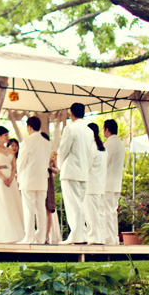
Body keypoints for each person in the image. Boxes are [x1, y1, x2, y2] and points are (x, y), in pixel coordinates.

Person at [57, 103, 92, 245]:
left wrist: (59, 166)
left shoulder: (70, 128)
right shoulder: (89, 131)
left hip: (70, 172)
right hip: (83, 172)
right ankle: (81, 234)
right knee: (79, 204)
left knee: (73, 205)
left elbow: (63, 150)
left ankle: (76, 236)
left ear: (71, 113)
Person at [0, 126, 24, 243]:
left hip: (10, 179)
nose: (7, 137)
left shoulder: (10, 150)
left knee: (12, 203)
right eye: (5, 135)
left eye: (8, 135)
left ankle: (16, 231)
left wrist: (11, 177)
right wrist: (2, 177)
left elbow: (14, 165)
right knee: (0, 202)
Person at [17, 117, 52, 244]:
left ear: (29, 127)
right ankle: (41, 238)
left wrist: (19, 178)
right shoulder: (47, 143)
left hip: (28, 180)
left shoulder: (26, 142)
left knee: (29, 209)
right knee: (40, 209)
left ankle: (29, 237)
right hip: (42, 180)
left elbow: (21, 162)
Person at [102, 119, 125, 245]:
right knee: (113, 211)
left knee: (107, 212)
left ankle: (109, 238)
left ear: (107, 129)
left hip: (108, 183)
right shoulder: (121, 144)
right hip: (117, 183)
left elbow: (103, 163)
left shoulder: (108, 145)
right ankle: (114, 238)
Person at [84, 122, 108, 244]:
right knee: (100, 214)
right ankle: (100, 237)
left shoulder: (91, 148)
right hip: (101, 185)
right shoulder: (103, 148)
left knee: (91, 214)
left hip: (91, 186)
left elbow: (86, 167)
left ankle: (93, 238)